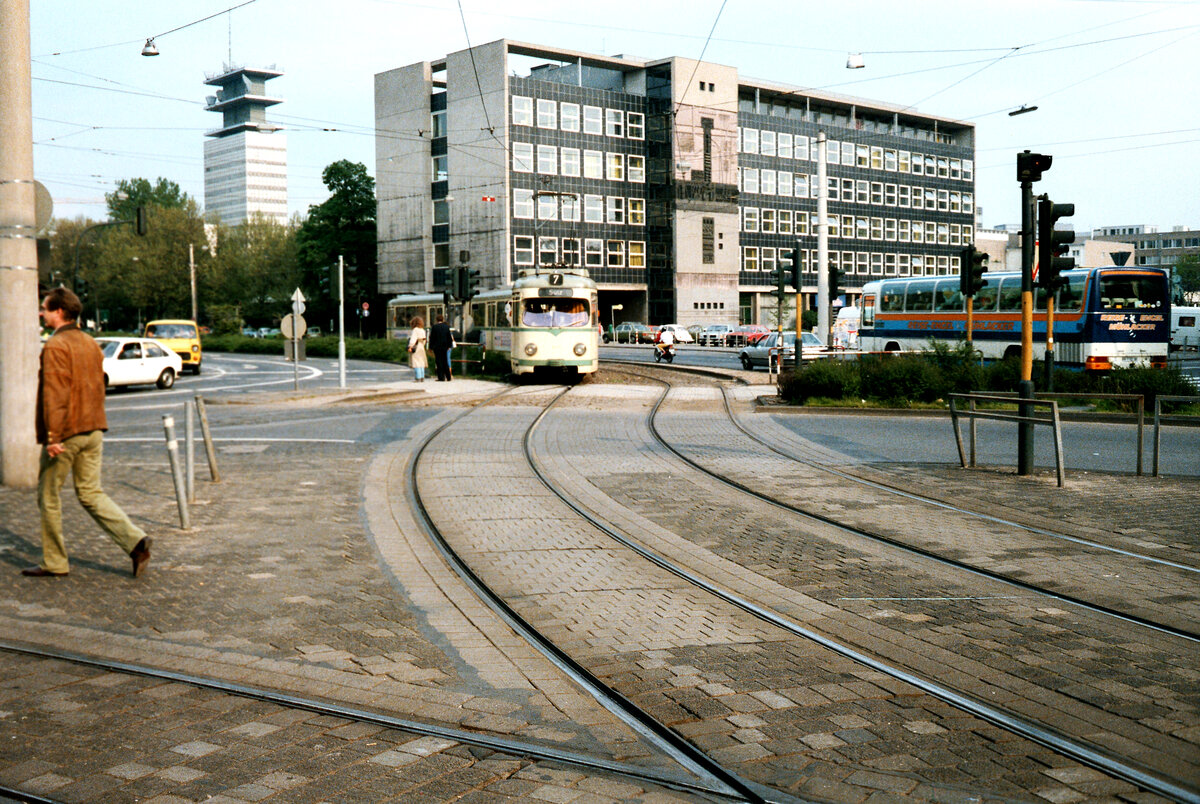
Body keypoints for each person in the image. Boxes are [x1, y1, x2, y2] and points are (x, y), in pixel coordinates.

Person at [25, 287, 152, 578]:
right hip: (93, 428)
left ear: (59, 312)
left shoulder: (56, 346)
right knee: (91, 492)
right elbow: (97, 387)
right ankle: (135, 541)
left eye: (44, 308)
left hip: (67, 434)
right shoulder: (89, 343)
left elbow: (54, 394)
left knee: (48, 496)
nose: (41, 313)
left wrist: (53, 437)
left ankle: (55, 562)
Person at [429, 314, 454, 382]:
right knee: (445, 361)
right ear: (442, 319)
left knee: (438, 362)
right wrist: (449, 346)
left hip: (437, 347)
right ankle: (448, 377)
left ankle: (441, 377)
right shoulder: (446, 327)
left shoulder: (434, 327)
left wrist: (430, 347)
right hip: (444, 347)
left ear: (437, 320)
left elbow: (432, 338)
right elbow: (449, 337)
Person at [408, 316, 427, 382]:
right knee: (421, 362)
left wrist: (410, 346)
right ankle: (422, 377)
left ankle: (418, 377)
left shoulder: (415, 330)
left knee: (416, 362)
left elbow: (413, 339)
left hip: (416, 346)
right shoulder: (422, 330)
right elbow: (425, 340)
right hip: (421, 346)